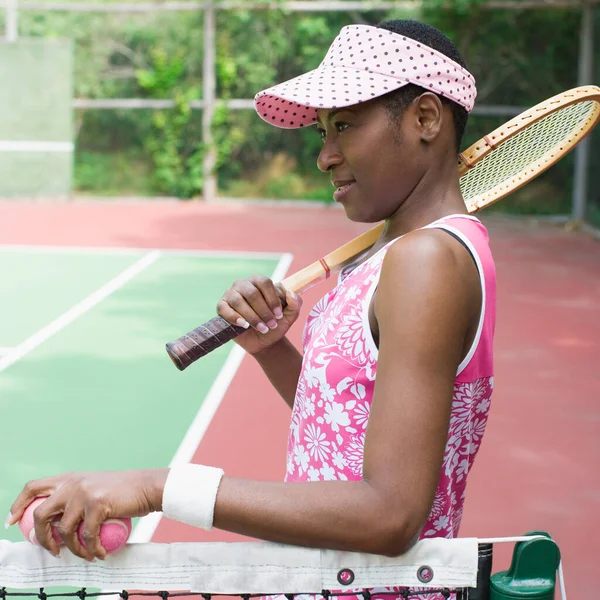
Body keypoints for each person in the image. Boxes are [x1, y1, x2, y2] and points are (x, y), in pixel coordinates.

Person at [6, 19, 496, 569]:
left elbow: (389, 514)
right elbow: (345, 427)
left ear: (425, 118)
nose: (325, 156)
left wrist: (157, 487)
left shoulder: (425, 260)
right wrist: (271, 351)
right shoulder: (399, 252)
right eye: (322, 132)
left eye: (346, 126)